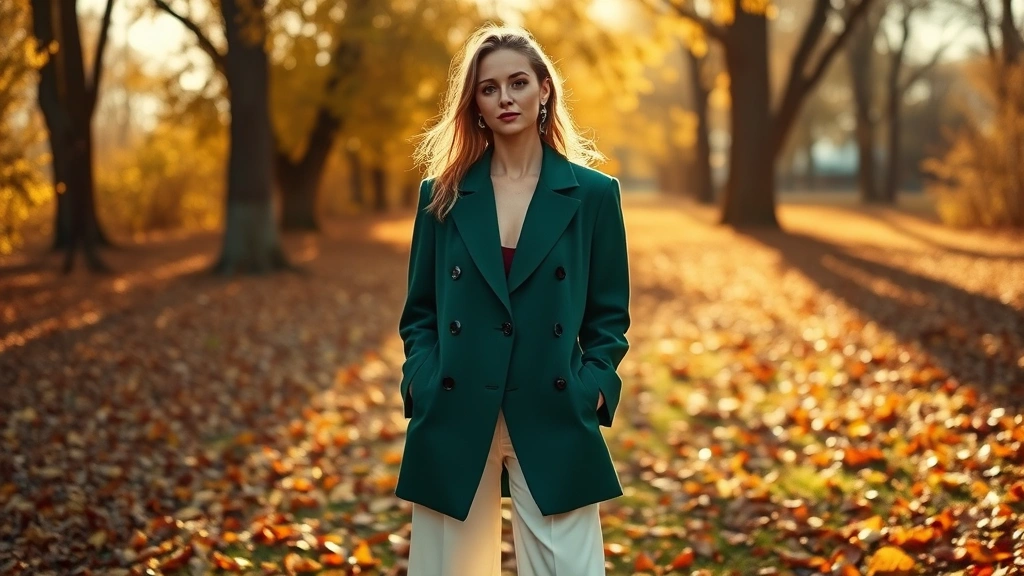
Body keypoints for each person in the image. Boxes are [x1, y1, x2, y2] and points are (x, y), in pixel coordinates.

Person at [395, 23, 631, 576]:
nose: (505, 98)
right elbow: (421, 311)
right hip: (454, 406)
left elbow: (608, 316)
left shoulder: (594, 195)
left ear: (544, 89)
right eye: (489, 88)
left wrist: (593, 387)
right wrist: (421, 378)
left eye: (518, 82)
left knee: (568, 568)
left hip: (552, 407)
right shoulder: (443, 195)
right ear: (474, 103)